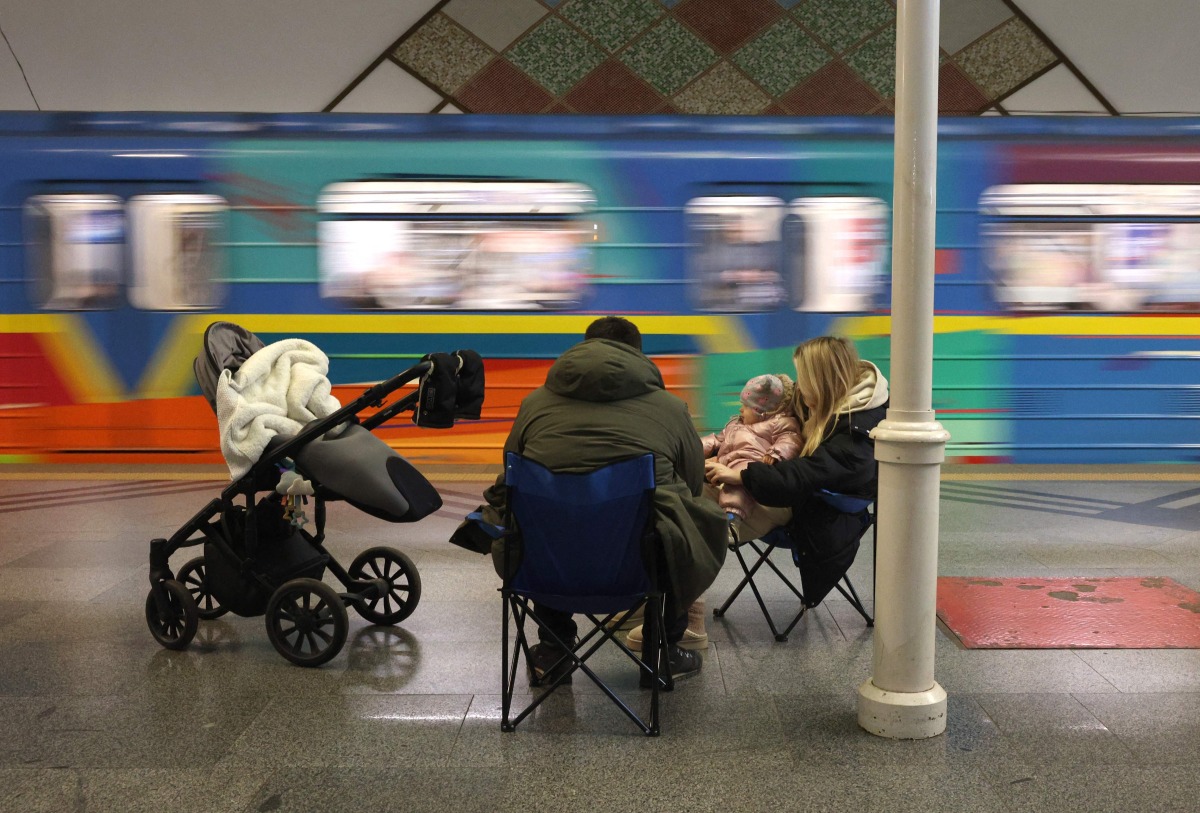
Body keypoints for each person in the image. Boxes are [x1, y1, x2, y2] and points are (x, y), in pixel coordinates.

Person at [480, 316, 727, 686]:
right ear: (638, 356)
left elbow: (512, 475)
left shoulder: (534, 404)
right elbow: (691, 485)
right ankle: (661, 654)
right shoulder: (671, 408)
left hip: (545, 573)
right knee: (687, 518)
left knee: (544, 516)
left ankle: (553, 650)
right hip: (637, 569)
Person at [624, 372, 802, 656]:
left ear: (762, 409)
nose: (740, 410)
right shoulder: (737, 423)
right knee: (673, 504)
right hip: (728, 471)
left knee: (695, 525)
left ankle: (689, 623)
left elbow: (788, 444)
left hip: (755, 482)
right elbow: (715, 440)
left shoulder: (781, 425)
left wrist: (767, 461)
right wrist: (692, 451)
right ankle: (653, 605)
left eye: (746, 406)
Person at [705, 336, 888, 606]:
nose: (799, 386)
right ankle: (667, 610)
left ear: (821, 381)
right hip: (785, 492)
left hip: (813, 515)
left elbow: (808, 473)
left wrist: (742, 475)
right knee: (685, 498)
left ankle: (680, 617)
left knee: (691, 516)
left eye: (803, 377)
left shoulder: (857, 431)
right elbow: (766, 417)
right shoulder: (821, 401)